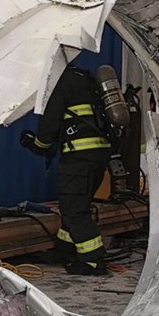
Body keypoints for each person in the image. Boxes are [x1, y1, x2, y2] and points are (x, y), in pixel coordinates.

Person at [20, 61, 114, 275]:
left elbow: (49, 123)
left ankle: (93, 261)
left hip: (78, 158)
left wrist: (37, 145)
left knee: (74, 210)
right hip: (98, 155)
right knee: (73, 205)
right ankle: (64, 250)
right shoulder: (85, 79)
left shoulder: (60, 83)